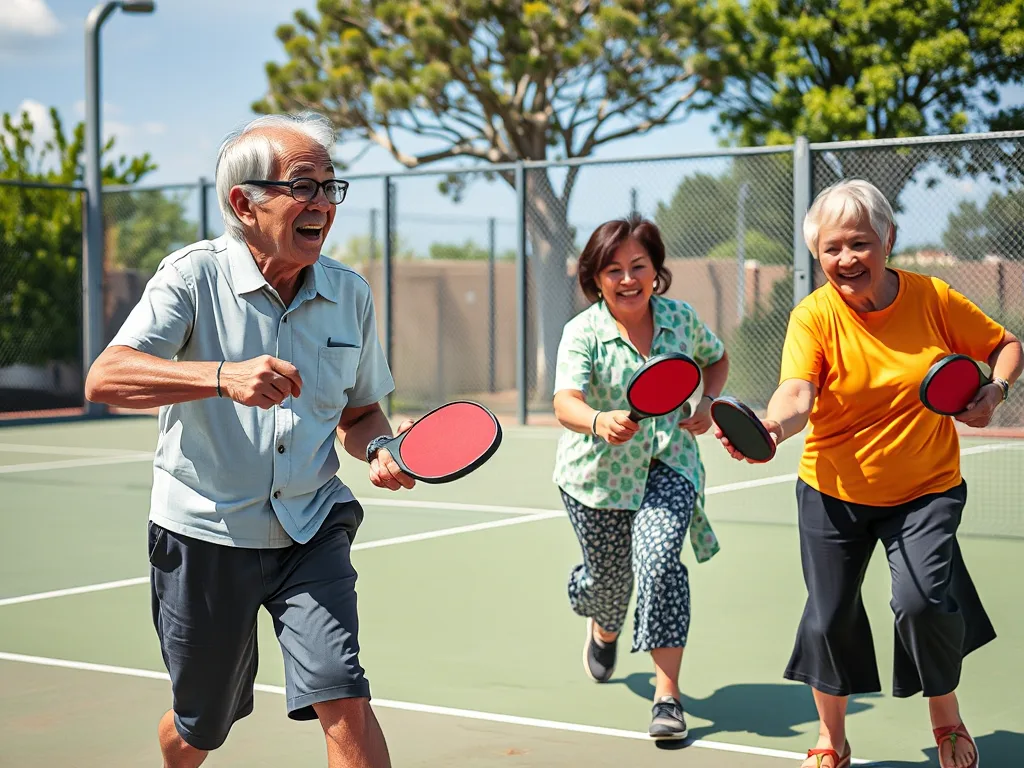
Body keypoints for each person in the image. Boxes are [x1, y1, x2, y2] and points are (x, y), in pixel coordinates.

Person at [85, 111, 413, 768]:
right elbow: (105, 378)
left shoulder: (350, 294)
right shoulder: (190, 277)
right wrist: (219, 377)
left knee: (343, 694)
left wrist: (380, 448)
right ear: (244, 201)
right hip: (203, 536)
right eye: (304, 186)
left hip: (310, 528)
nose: (323, 202)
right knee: (200, 727)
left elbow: (363, 414)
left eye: (330, 186)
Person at [715, 179, 1022, 768]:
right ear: (815, 253)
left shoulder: (932, 298)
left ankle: (946, 717)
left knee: (923, 603)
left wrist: (996, 391)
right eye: (832, 248)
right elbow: (798, 390)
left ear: (889, 239)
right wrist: (774, 428)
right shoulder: (814, 316)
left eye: (859, 243)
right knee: (827, 615)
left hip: (925, 488)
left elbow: (1006, 344)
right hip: (833, 491)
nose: (846, 259)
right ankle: (833, 739)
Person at [551, 213, 730, 740]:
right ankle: (603, 625)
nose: (627, 279)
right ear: (595, 277)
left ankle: (667, 697)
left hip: (669, 463)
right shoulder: (582, 332)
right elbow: (565, 402)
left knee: (659, 563)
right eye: (613, 269)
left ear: (656, 270)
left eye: (638, 266)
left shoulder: (682, 319)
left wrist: (710, 401)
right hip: (596, 479)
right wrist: (599, 420)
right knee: (612, 584)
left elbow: (714, 360)